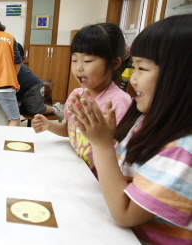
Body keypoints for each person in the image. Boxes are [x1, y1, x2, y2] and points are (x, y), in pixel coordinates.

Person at [68, 14, 192, 244]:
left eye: (142, 69)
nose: (131, 79)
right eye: (133, 67)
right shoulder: (144, 118)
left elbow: (125, 215)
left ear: (182, 76)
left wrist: (101, 143)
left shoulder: (183, 150)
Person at [32, 22, 132, 178]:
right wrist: (49, 125)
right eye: (74, 60)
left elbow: (119, 153)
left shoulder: (118, 102)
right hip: (75, 172)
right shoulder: (76, 95)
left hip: (98, 181)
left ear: (114, 63)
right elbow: (71, 130)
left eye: (87, 61)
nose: (78, 67)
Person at [16, 43, 63, 120]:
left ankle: (56, 109)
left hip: (33, 86)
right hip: (22, 89)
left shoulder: (16, 65)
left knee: (35, 110)